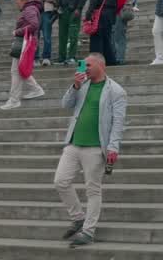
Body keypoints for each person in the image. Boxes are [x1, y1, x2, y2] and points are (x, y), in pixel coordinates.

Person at [55, 53, 128, 248]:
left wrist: (113, 147)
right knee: (61, 181)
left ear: (100, 65)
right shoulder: (83, 84)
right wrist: (75, 86)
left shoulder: (116, 91)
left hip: (96, 147)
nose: (84, 68)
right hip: (73, 143)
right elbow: (65, 105)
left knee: (93, 189)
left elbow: (118, 123)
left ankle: (88, 231)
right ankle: (78, 217)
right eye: (83, 65)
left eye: (88, 65)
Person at [2, 0, 46, 110]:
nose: (17, 5)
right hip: (27, 42)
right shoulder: (32, 8)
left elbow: (34, 25)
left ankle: (14, 100)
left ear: (22, 0)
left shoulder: (29, 9)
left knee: (16, 71)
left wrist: (17, 32)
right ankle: (36, 89)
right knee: (20, 69)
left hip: (24, 43)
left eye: (17, 2)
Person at [56, 0, 89, 66]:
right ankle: (61, 57)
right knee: (62, 34)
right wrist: (58, 5)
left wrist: (79, 8)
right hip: (63, 8)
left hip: (74, 9)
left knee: (73, 34)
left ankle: (71, 56)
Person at [85, 0, 120, 67]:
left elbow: (93, 2)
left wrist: (88, 14)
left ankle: (96, 62)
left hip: (99, 15)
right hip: (109, 15)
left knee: (96, 39)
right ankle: (110, 60)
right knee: (106, 39)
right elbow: (116, 3)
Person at [32, 0, 60, 68]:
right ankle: (35, 57)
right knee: (35, 35)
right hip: (36, 12)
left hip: (47, 12)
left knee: (47, 35)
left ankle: (46, 57)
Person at [112, 0, 133, 66]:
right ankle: (119, 57)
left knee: (119, 36)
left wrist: (115, 10)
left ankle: (120, 58)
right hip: (121, 12)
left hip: (120, 12)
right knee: (119, 35)